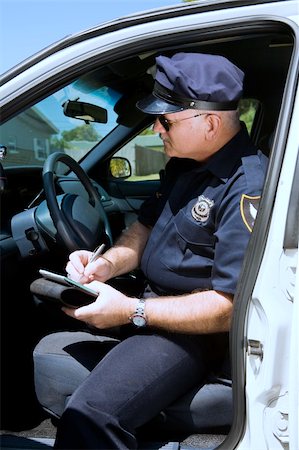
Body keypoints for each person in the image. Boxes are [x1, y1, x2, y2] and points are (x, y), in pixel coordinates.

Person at [33, 52, 268, 449]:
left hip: (196, 332)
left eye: (166, 120)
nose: (156, 129)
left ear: (209, 122)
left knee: (89, 415)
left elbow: (230, 307)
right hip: (153, 308)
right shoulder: (185, 163)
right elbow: (144, 230)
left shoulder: (247, 185)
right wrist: (106, 264)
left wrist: (132, 311)